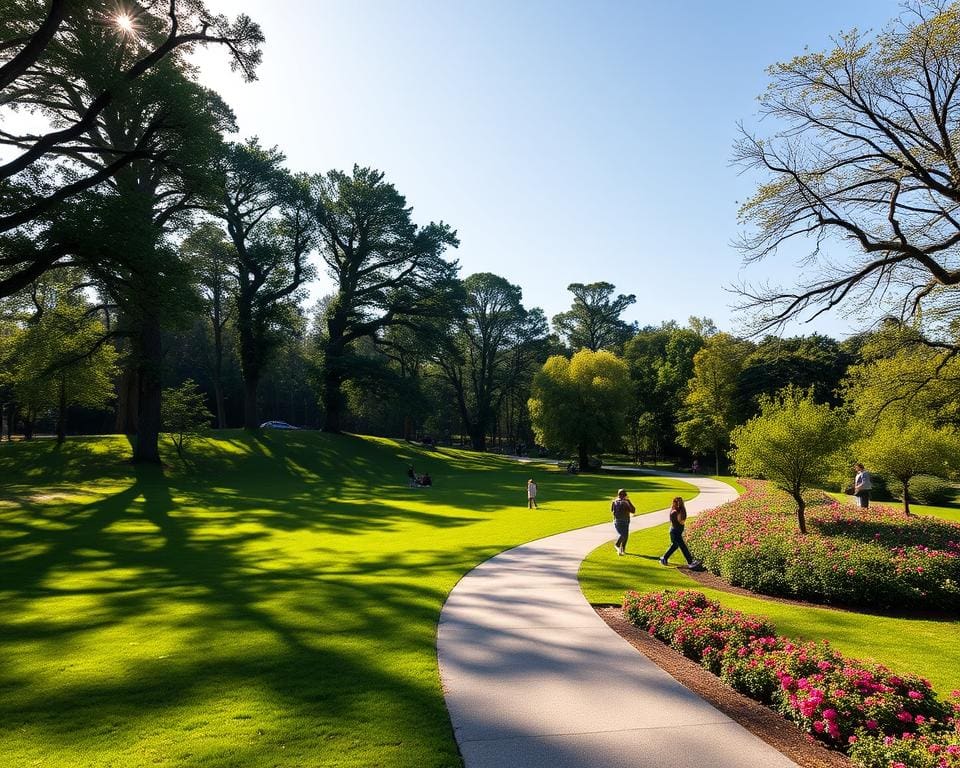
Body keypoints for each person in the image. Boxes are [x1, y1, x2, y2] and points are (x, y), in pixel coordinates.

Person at [660, 496, 701, 568]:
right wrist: (682, 508)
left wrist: (681, 508)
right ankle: (690, 562)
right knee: (683, 547)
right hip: (675, 532)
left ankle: (664, 558)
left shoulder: (675, 510)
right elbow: (681, 522)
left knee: (675, 546)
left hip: (675, 531)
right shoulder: (675, 512)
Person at [611, 489, 636, 556]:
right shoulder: (625, 502)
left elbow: (613, 511)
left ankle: (622, 550)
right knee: (623, 535)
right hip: (622, 521)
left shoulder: (615, 501)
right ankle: (617, 545)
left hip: (621, 520)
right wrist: (628, 502)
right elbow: (633, 510)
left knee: (625, 535)